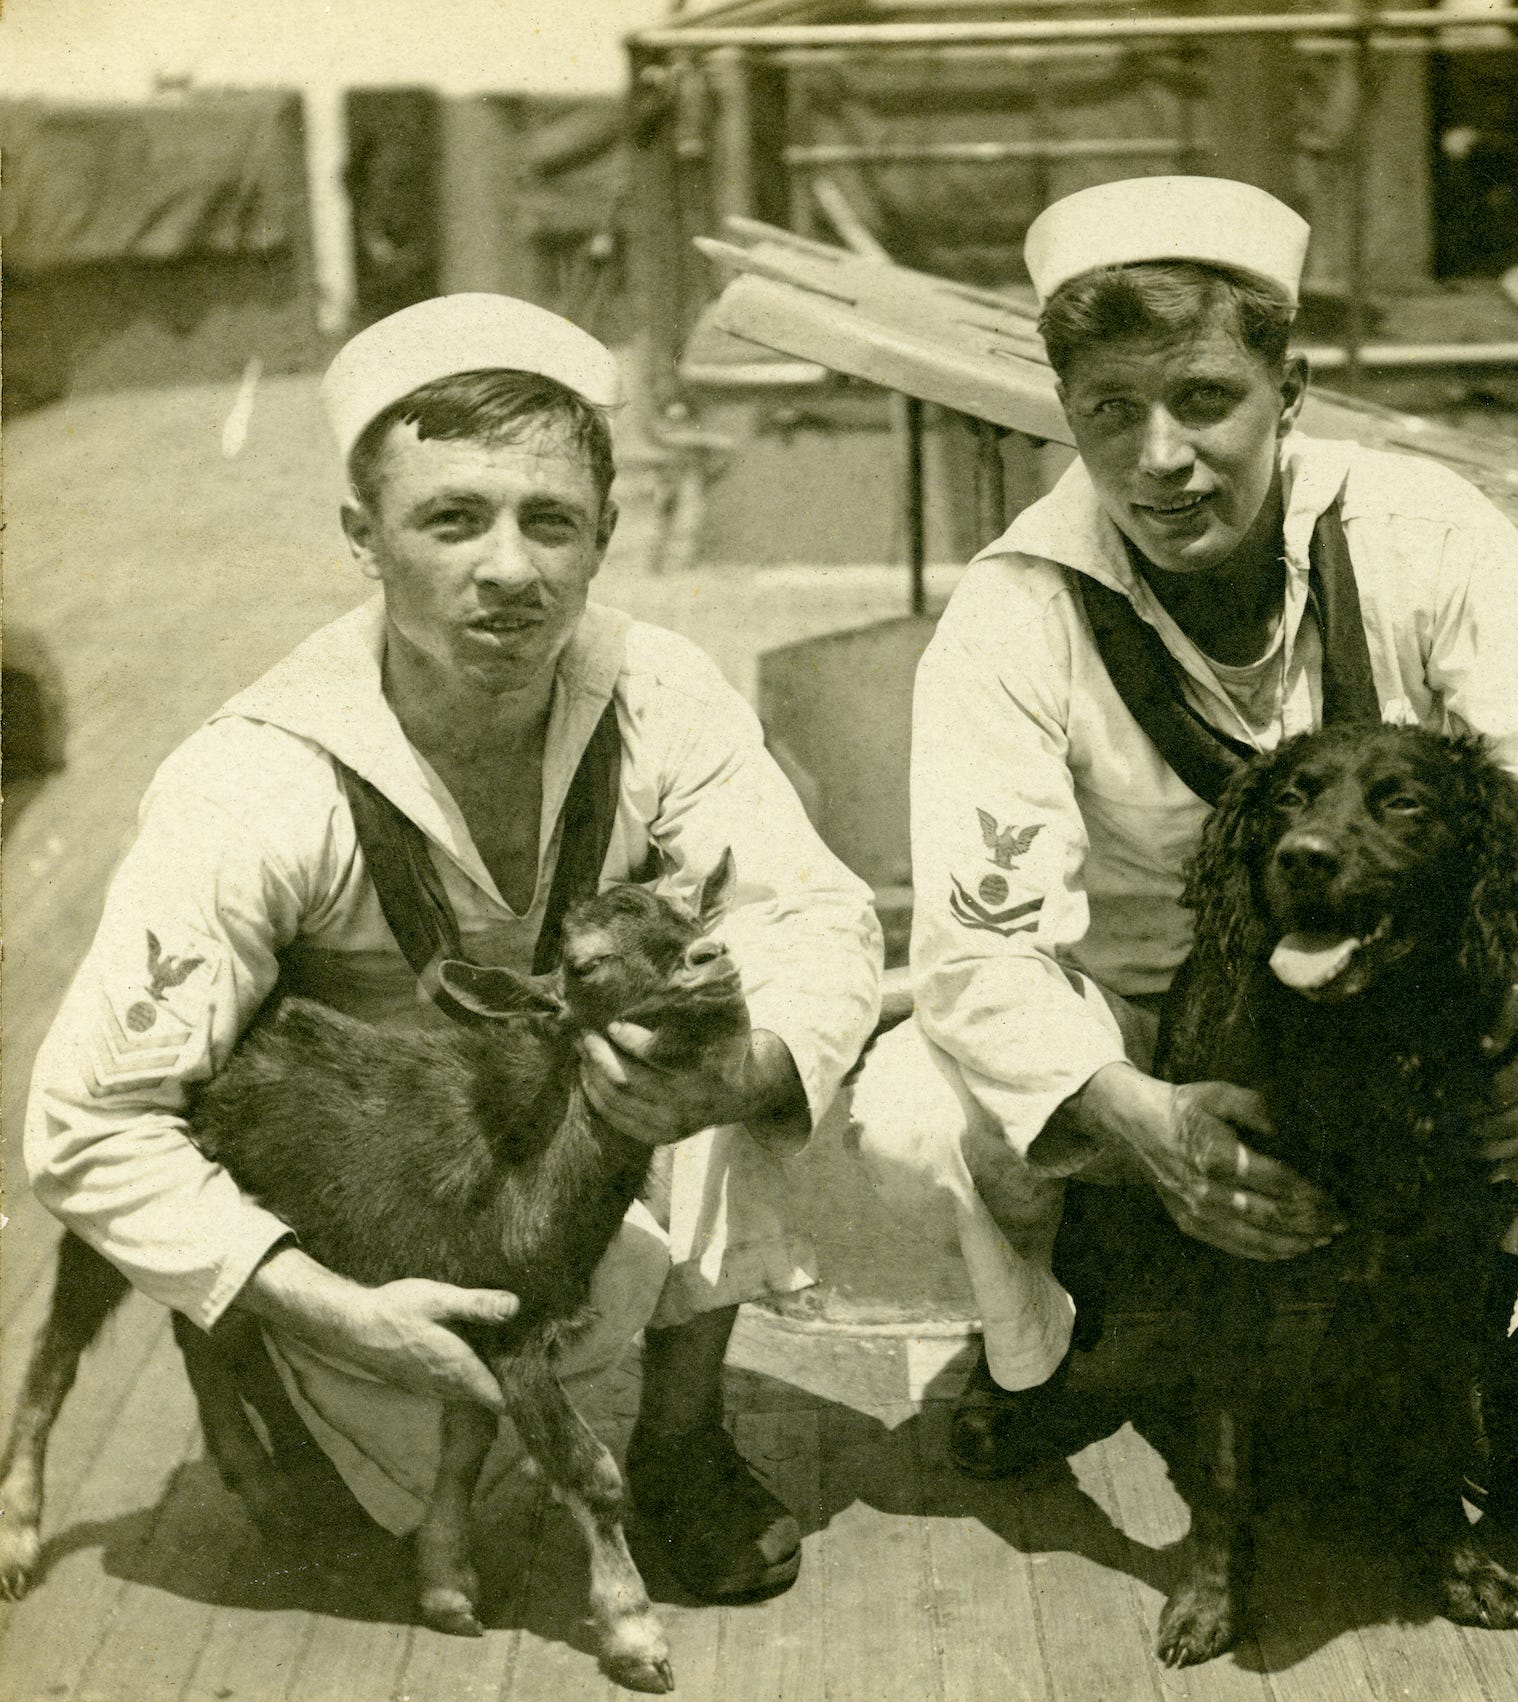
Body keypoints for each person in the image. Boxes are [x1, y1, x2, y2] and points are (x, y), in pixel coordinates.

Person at [851, 176, 1518, 1527]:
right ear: (1067, 415)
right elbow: (978, 952)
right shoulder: (1015, 612)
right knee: (910, 1108)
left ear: (1286, 387)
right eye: (1109, 412)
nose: (1158, 460)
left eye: (1202, 400)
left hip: (1388, 1002)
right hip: (1143, 1026)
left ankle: (1477, 1332)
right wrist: (1139, 1117)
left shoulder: (1423, 534)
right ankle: (1060, 1346)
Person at [24, 293, 886, 1598]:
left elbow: (817, 913)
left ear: (604, 536)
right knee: (358, 1539)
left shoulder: (661, 697)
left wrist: (735, 1066)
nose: (510, 567)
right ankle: (306, 1402)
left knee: (728, 1009)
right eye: (452, 517)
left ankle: (679, 1442)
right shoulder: (257, 779)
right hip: (367, 1211)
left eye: (550, 519)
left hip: (569, 1174)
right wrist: (321, 1303)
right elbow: (91, 1118)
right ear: (362, 537)